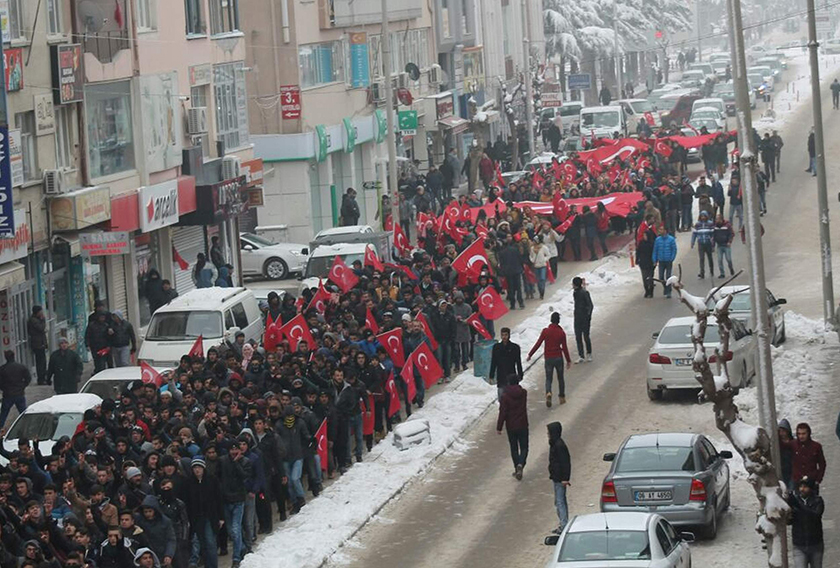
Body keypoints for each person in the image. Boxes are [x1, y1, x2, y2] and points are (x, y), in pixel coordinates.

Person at [527, 312, 572, 407]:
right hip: (558, 358)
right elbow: (564, 348)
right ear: (558, 321)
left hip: (548, 358)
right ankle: (562, 397)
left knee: (548, 378)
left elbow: (538, 343)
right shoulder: (561, 333)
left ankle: (548, 392)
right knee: (560, 378)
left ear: (551, 320)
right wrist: (568, 360)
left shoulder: (545, 331)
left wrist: (530, 354)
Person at [219, 442, 252, 568]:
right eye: (231, 450)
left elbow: (244, 476)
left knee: (236, 528)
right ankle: (243, 547)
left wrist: (236, 463)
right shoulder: (222, 461)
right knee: (230, 531)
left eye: (236, 449)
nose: (233, 452)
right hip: (226, 500)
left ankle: (236, 558)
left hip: (238, 499)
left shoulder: (246, 462)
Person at [186, 457, 223, 568]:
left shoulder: (212, 480)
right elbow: (188, 502)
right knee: (200, 543)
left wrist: (221, 517)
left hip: (210, 516)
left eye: (199, 467)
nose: (197, 470)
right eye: (195, 468)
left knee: (210, 542)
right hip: (196, 518)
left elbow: (219, 499)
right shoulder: (189, 483)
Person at [496, 374, 529, 480]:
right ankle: (521, 464)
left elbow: (503, 412)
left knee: (514, 448)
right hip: (523, 424)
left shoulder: (505, 396)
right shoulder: (523, 393)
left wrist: (499, 427)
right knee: (524, 447)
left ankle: (517, 467)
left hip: (511, 426)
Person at [787, 477, 824, 568]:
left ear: (811, 489)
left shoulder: (817, 501)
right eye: (801, 486)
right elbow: (789, 521)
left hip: (815, 545)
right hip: (799, 545)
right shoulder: (795, 501)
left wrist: (798, 506)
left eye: (805, 487)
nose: (802, 489)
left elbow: (815, 516)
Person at [781, 423, 827, 491]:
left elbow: (822, 464)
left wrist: (818, 479)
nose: (801, 436)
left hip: (811, 481)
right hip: (797, 482)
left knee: (813, 501)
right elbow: (782, 446)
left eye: (803, 434)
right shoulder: (793, 444)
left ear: (808, 433)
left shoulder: (816, 446)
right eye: (799, 434)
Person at [547, 422, 571, 535]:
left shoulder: (559, 445)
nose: (548, 434)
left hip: (560, 479)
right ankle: (564, 523)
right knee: (560, 501)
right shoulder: (555, 444)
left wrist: (565, 478)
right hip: (557, 478)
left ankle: (564, 525)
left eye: (549, 432)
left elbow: (565, 463)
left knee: (560, 501)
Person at [488, 327, 523, 401]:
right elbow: (494, 362)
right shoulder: (496, 347)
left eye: (506, 335)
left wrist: (520, 374)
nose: (504, 337)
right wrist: (491, 374)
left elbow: (518, 362)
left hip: (511, 375)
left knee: (512, 399)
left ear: (509, 335)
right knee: (501, 398)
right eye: (502, 335)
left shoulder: (515, 347)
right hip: (501, 376)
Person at [0, 350, 30, 427]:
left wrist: (3, 388)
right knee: (23, 413)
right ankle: (26, 426)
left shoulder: (2, 369)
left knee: (3, 414)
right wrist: (23, 386)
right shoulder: (21, 367)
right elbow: (28, 378)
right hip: (19, 393)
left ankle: (1, 428)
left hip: (7, 394)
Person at [498, 236, 524, 310]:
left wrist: (502, 272)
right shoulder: (515, 250)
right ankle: (521, 303)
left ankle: (512, 304)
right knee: (518, 287)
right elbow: (520, 259)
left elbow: (502, 264)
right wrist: (521, 268)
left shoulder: (501, 253)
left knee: (510, 288)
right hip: (516, 270)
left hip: (508, 272)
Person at [572, 277, 593, 363]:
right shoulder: (575, 293)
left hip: (584, 318)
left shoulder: (584, 293)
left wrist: (588, 316)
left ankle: (589, 353)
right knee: (578, 337)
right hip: (577, 317)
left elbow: (590, 305)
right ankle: (581, 355)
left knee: (586, 336)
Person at [652, 225, 677, 298]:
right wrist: (655, 260)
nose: (660, 231)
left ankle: (668, 291)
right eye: (660, 229)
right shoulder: (658, 240)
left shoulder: (671, 239)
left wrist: (672, 258)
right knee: (661, 277)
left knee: (668, 276)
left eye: (662, 229)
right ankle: (666, 288)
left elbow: (674, 249)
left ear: (665, 231)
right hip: (661, 261)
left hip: (668, 261)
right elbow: (655, 250)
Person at [27, 306, 48, 386]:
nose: (42, 313)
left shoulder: (36, 319)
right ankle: (41, 379)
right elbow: (41, 328)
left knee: (43, 362)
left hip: (41, 343)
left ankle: (44, 377)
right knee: (40, 362)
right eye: (40, 311)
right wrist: (43, 320)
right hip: (37, 344)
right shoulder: (34, 320)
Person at [691, 210, 715, 280]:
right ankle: (702, 273)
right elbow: (694, 234)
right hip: (700, 243)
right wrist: (692, 242)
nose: (703, 217)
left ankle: (711, 271)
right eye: (702, 216)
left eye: (704, 216)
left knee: (710, 257)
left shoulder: (710, 224)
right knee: (701, 258)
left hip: (708, 243)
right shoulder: (697, 224)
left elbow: (712, 234)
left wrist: (713, 243)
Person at [713, 214, 735, 278]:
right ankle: (722, 273)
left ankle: (731, 268)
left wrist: (729, 241)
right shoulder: (715, 227)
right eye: (716, 219)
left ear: (721, 219)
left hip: (726, 245)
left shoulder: (727, 225)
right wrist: (713, 244)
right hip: (719, 245)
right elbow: (713, 236)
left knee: (728, 259)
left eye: (717, 219)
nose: (716, 220)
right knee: (719, 260)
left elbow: (731, 234)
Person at [636, 229, 656, 298]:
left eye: (645, 235)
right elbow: (638, 251)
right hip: (643, 263)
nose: (644, 237)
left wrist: (655, 261)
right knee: (644, 278)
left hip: (650, 263)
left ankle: (651, 291)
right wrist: (637, 259)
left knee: (650, 278)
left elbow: (654, 253)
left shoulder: (652, 244)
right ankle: (646, 291)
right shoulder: (641, 243)